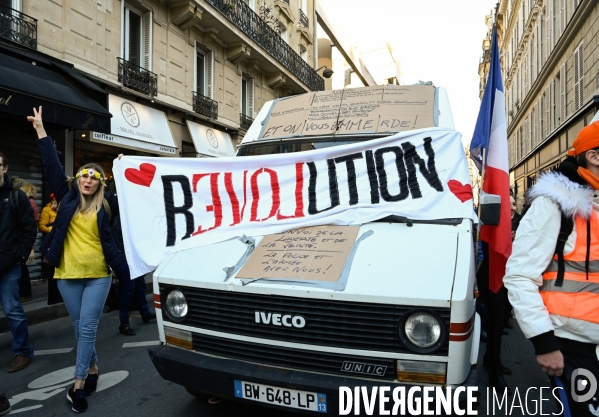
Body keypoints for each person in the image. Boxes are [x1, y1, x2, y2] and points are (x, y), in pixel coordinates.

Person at [28, 106, 131, 413]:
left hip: (98, 274)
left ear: (100, 183)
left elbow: (129, 197)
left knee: (87, 329)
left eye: (94, 177)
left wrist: (123, 170)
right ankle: (94, 368)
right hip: (67, 275)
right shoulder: (67, 195)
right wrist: (41, 130)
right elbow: (51, 166)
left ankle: (78, 384)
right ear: (78, 180)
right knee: (79, 326)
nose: (88, 181)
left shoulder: (108, 202)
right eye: (84, 176)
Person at [504, 120, 599, 415]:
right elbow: (520, 276)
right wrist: (544, 344)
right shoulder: (554, 205)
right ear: (594, 156)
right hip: (573, 344)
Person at [0, 152, 37, 373]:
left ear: (5, 168)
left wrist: (20, 255)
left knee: (12, 309)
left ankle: (22, 351)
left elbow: (29, 228)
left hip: (9, 265)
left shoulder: (16, 196)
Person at [12, 177, 38, 302]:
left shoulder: (27, 201)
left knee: (21, 267)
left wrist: (27, 246)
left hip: (21, 239)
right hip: (19, 238)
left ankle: (25, 293)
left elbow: (30, 224)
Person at [39, 193, 62, 305]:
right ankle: (53, 298)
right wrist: (54, 231)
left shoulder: (64, 209)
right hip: (52, 242)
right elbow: (41, 226)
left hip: (61, 242)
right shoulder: (46, 210)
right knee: (51, 270)